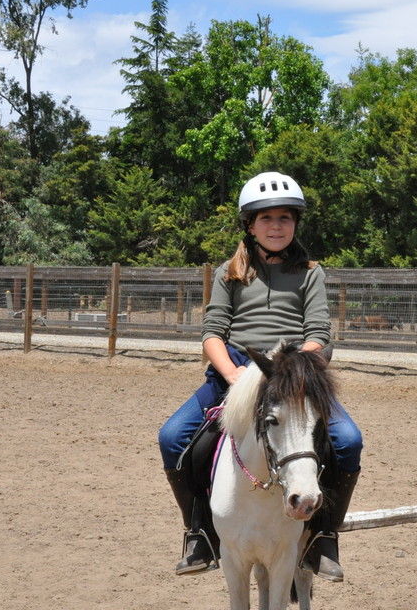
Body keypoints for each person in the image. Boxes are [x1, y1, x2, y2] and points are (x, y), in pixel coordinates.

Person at [158, 171, 363, 578]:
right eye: (266, 219)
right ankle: (199, 533)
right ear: (249, 225)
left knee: (347, 440)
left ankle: (323, 538)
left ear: (296, 224)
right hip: (235, 371)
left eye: (285, 218)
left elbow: (318, 334)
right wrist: (235, 375)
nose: (276, 226)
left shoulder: (311, 272)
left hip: (293, 373)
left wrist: (290, 369)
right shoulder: (229, 272)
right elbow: (212, 333)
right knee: (173, 437)